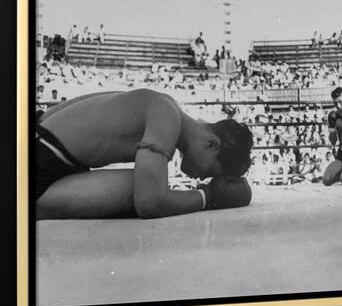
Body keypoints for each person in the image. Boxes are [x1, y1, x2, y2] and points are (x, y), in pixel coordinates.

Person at [35, 89, 254, 219]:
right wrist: (210, 197)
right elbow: (149, 203)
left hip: (41, 151)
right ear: (211, 145)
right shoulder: (167, 116)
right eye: (211, 172)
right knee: (142, 187)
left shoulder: (165, 104)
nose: (202, 178)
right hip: (37, 164)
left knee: (145, 182)